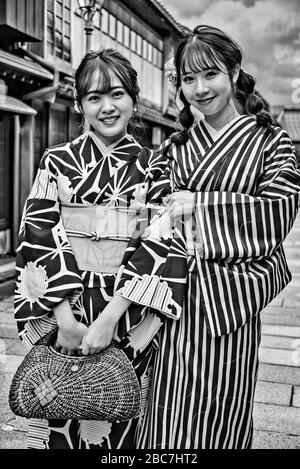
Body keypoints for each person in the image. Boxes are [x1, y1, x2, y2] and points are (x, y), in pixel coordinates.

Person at [107, 25, 300, 449]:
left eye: (210, 74)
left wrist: (199, 205)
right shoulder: (174, 148)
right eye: (188, 78)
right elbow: (150, 221)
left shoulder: (271, 142)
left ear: (234, 72)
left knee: (223, 409)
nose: (199, 88)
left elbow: (280, 207)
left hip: (230, 307)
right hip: (171, 302)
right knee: (167, 411)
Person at [13, 48, 185, 449]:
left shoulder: (156, 165)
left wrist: (111, 317)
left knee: (120, 414)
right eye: (94, 97)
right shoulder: (56, 160)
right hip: (65, 307)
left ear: (134, 100)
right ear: (79, 104)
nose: (107, 107)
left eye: (117, 94)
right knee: (58, 408)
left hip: (126, 308)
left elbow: (162, 238)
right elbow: (37, 233)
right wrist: (64, 319)